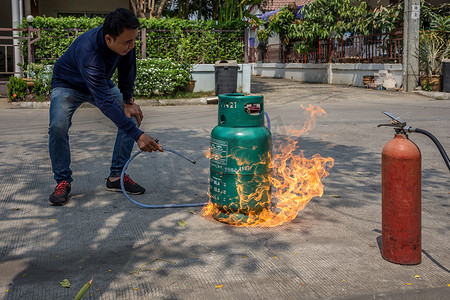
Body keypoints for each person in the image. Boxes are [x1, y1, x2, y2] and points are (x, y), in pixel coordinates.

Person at [48, 8, 162, 206]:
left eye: (134, 40)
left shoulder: (125, 41)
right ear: (109, 39)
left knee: (132, 116)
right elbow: (105, 103)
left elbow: (127, 71)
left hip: (100, 81)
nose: (132, 45)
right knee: (57, 127)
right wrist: (138, 136)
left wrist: (128, 101)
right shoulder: (89, 52)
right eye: (128, 42)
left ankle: (116, 177)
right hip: (68, 84)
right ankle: (63, 181)